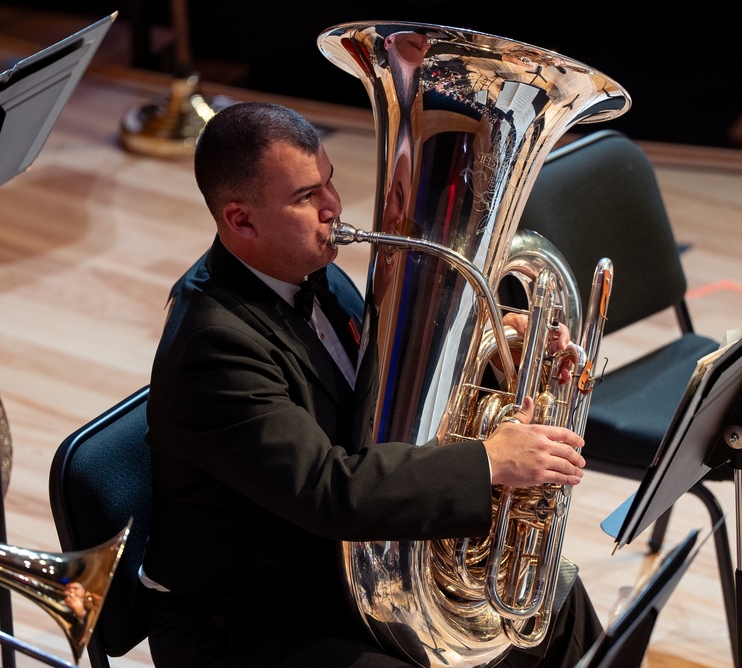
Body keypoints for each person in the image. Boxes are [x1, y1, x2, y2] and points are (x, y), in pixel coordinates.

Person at [142, 101, 604, 667]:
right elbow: (328, 490)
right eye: (305, 197)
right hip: (249, 618)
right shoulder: (214, 345)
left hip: (329, 565)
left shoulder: (319, 274)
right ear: (240, 219)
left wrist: (497, 349)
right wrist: (488, 462)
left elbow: (379, 400)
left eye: (329, 182)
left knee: (555, 602)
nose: (332, 207)